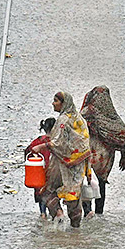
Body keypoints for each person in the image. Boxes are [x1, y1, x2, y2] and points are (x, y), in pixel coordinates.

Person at [29, 91, 91, 226]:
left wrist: (41, 147)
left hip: (61, 164)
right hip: (78, 164)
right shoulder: (79, 119)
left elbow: (58, 142)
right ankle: (76, 229)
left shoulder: (63, 120)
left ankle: (58, 214)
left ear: (63, 104)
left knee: (47, 190)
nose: (53, 103)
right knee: (74, 195)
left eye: (56, 101)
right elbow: (84, 141)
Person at [81, 86, 125, 215]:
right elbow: (123, 135)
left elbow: (78, 127)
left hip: (90, 154)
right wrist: (123, 156)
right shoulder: (111, 115)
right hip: (106, 158)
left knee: (88, 182)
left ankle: (87, 209)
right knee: (100, 184)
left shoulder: (88, 112)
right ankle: (99, 211)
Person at [25, 117, 57, 216]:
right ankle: (55, 214)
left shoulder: (37, 141)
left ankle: (43, 214)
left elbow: (27, 152)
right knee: (53, 194)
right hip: (54, 172)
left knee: (41, 193)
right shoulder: (56, 142)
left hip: (39, 172)